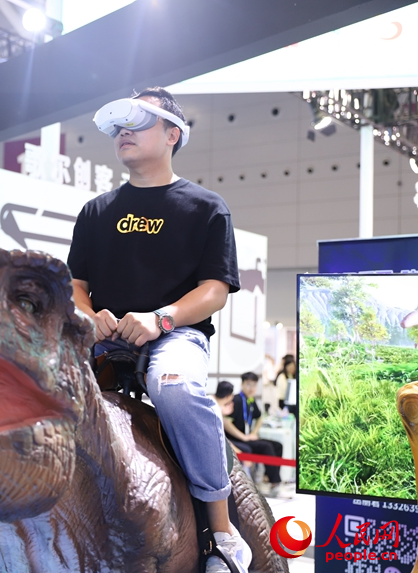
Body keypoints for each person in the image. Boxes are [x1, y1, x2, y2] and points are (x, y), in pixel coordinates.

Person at [68, 87, 249, 573]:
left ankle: (223, 533)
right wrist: (89, 315)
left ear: (173, 134)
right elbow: (76, 287)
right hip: (102, 335)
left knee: (176, 390)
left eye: (139, 122)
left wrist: (161, 319)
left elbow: (214, 291)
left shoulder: (207, 207)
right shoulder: (96, 211)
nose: (123, 132)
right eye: (119, 126)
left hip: (174, 335)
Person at [223, 373, 285, 497]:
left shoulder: (251, 400)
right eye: (248, 385)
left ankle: (268, 478)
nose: (251, 388)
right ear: (242, 384)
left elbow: (260, 417)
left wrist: (254, 432)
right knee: (266, 447)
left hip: (247, 438)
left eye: (254, 385)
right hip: (235, 439)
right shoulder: (236, 400)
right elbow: (226, 422)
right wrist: (243, 437)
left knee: (277, 445)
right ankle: (274, 483)